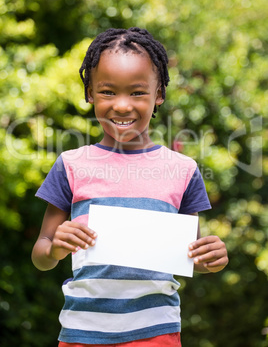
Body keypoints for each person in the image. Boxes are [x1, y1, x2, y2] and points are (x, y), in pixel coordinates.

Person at [32, 27, 228, 347]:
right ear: (90, 93)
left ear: (159, 93)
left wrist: (211, 259)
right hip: (82, 332)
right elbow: (41, 254)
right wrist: (55, 248)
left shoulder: (183, 171)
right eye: (108, 92)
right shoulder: (70, 165)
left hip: (156, 334)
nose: (122, 106)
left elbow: (188, 256)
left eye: (137, 92)